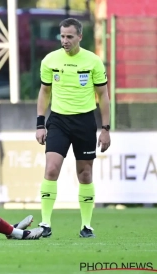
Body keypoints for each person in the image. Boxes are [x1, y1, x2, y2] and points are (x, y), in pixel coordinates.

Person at [35, 18, 111, 238]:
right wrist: (40, 124)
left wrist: (105, 128)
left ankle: (86, 226)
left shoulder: (93, 61)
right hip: (58, 121)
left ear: (79, 37)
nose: (65, 41)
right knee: (51, 168)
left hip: (85, 121)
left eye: (69, 36)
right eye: (62, 36)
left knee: (85, 174)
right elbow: (44, 92)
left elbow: (103, 96)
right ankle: (45, 223)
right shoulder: (50, 60)